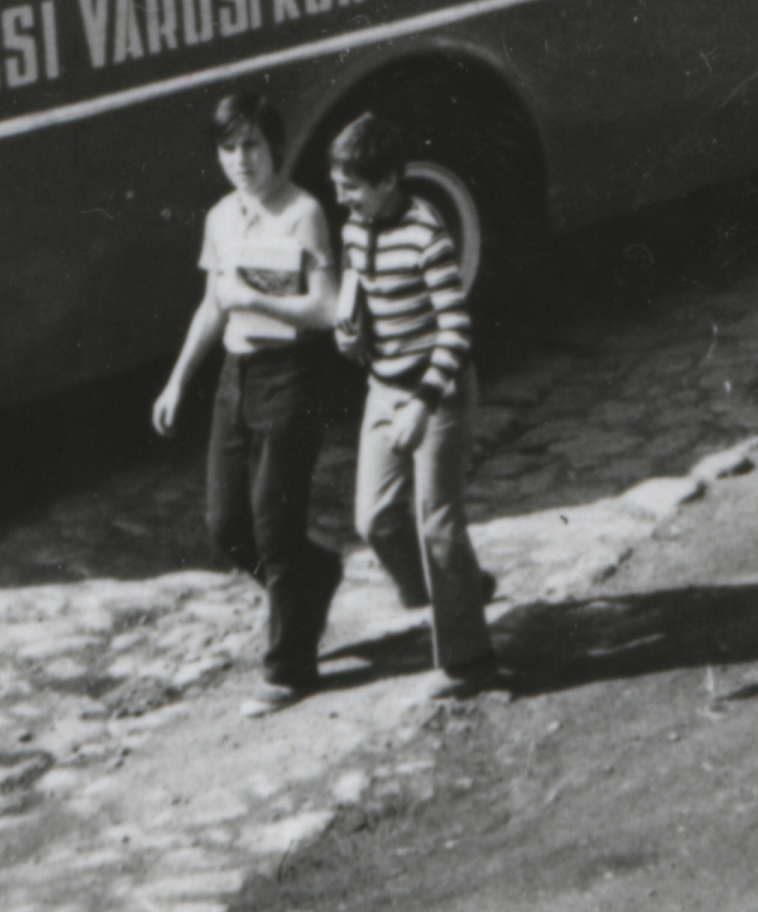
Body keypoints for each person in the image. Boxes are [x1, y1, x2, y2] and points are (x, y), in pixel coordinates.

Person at [153, 88, 343, 703]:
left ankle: (289, 666)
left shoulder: (303, 212)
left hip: (291, 375)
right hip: (236, 377)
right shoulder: (220, 218)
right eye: (229, 148)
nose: (242, 160)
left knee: (274, 524)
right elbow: (212, 306)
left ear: (275, 147)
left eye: (253, 145)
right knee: (226, 525)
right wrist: (179, 380)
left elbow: (328, 306)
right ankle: (314, 575)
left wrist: (258, 300)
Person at [315, 112, 506, 700]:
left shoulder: (427, 233)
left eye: (352, 186)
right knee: (374, 519)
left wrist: (423, 405)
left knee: (438, 520)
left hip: (437, 392)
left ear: (389, 182)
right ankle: (460, 590)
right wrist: (351, 333)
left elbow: (455, 330)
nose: (341, 197)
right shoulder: (353, 226)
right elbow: (358, 286)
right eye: (338, 184)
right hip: (385, 387)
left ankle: (468, 660)